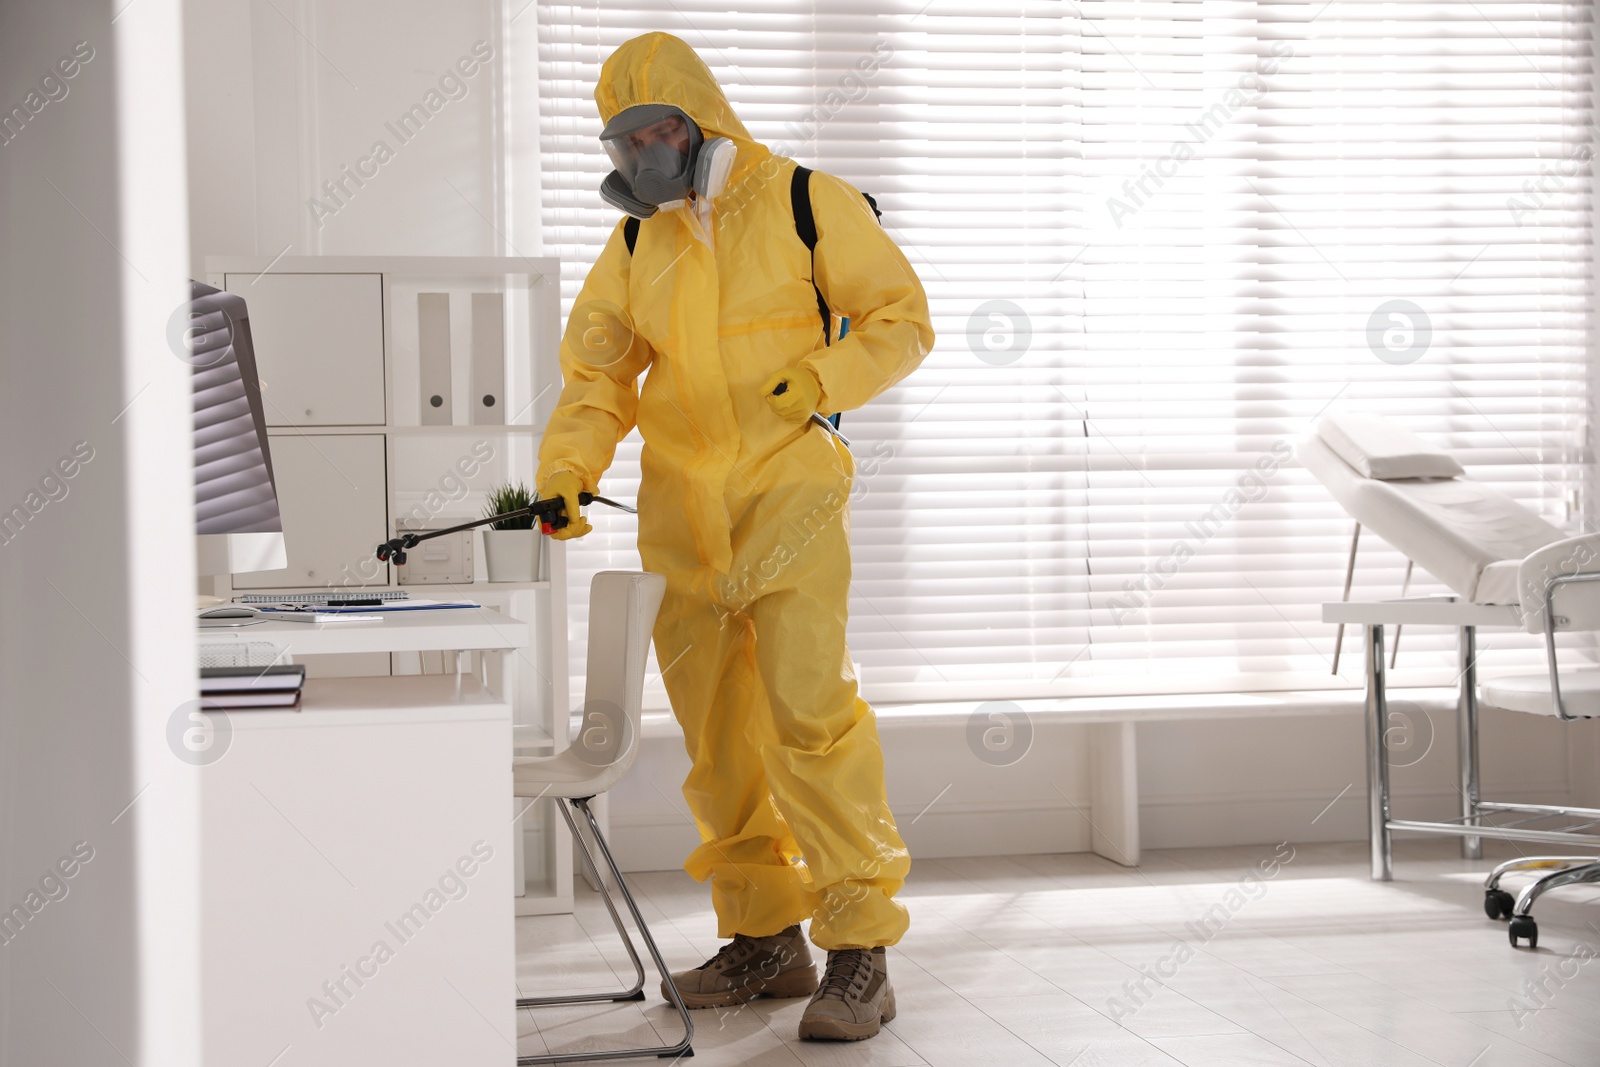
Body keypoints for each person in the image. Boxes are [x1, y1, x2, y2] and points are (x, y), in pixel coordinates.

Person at [536, 31, 933, 1042]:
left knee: (812, 721)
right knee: (717, 742)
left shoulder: (807, 202)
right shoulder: (637, 242)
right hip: (682, 522)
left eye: (657, 130)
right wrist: (564, 472)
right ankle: (763, 939)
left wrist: (824, 380)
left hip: (788, 503)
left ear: (701, 120)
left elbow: (899, 316)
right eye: (621, 141)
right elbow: (598, 376)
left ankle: (859, 951)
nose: (641, 157)